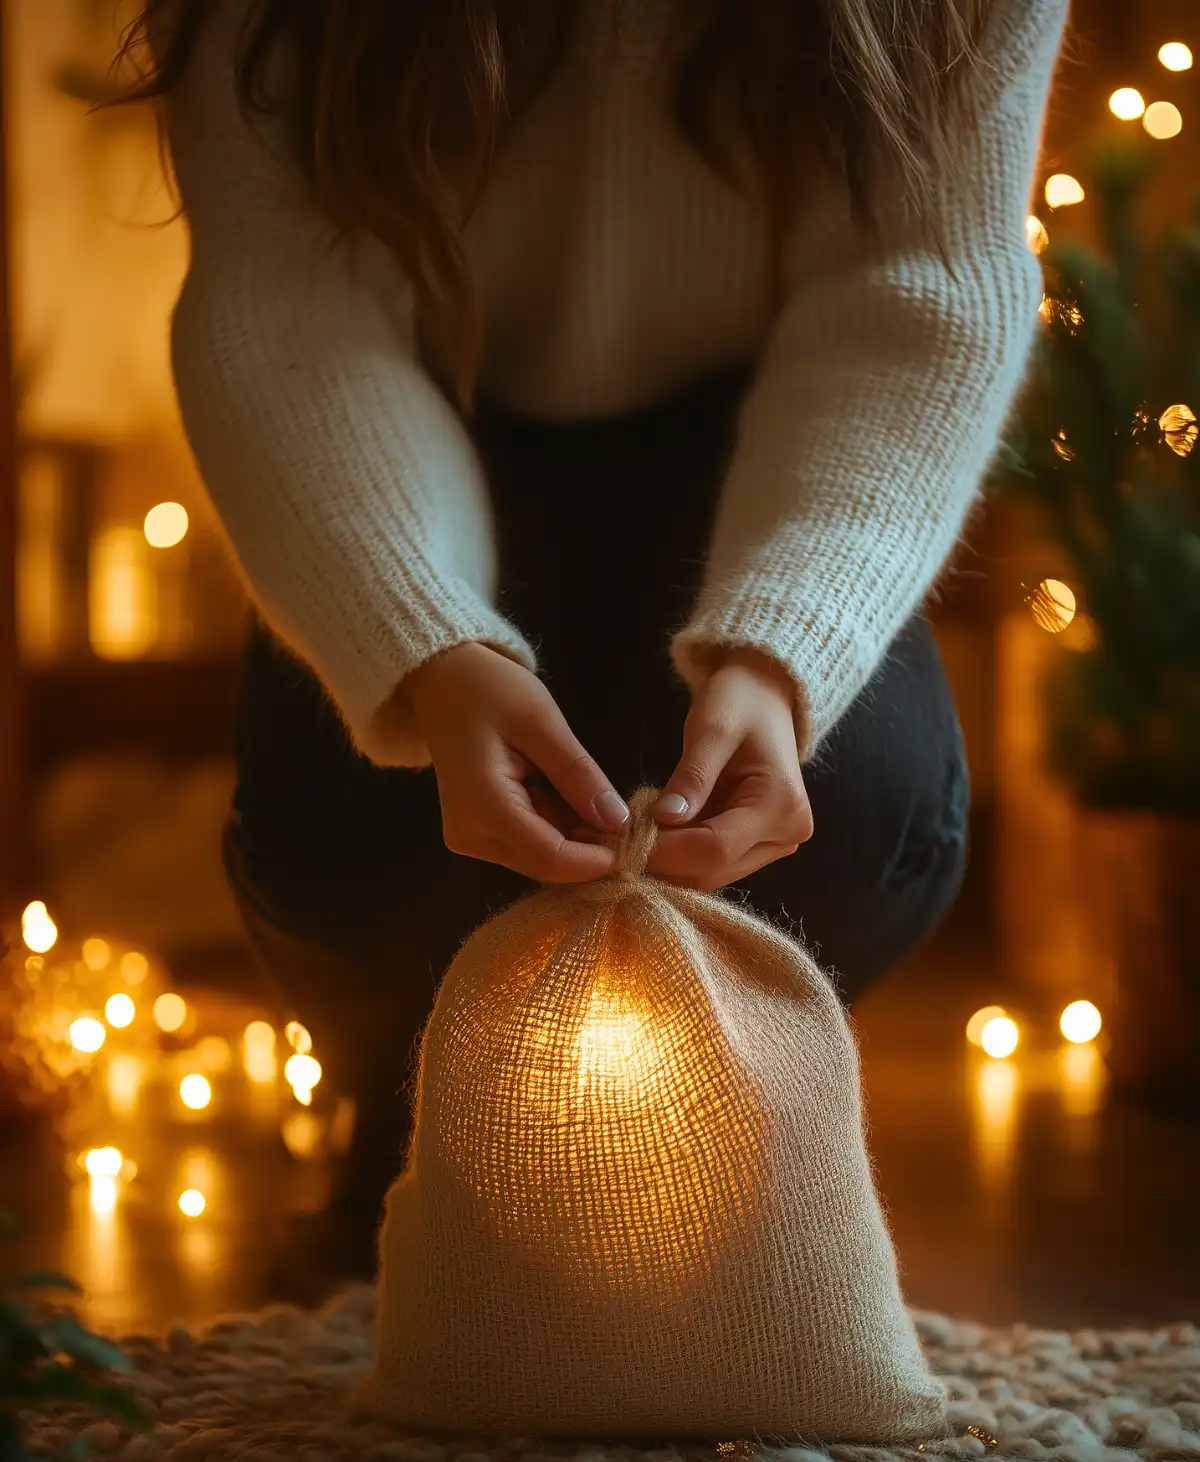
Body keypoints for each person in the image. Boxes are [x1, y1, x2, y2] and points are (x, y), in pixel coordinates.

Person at [121, 0, 1067, 1293]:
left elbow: (918, 292)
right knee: (343, 834)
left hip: (768, 413)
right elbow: (289, 302)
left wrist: (785, 655)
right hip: (413, 393)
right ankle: (415, 1132)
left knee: (861, 808)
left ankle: (705, 1141)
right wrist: (425, 647)